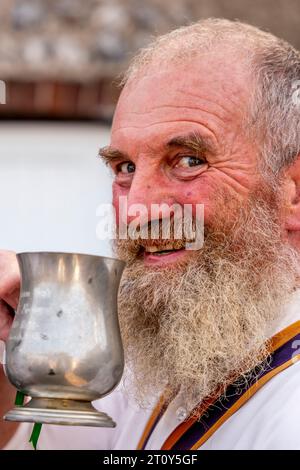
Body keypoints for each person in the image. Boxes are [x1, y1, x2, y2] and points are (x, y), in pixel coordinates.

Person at [1, 18, 300, 450]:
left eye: (188, 160)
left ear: (292, 192)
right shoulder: (162, 351)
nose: (137, 211)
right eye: (124, 168)